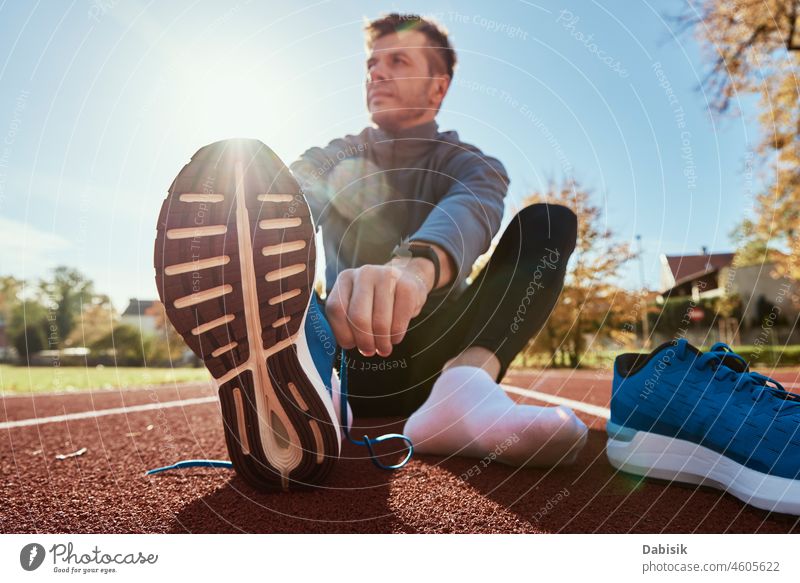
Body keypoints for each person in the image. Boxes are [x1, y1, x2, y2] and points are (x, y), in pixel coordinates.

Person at [290, 13, 587, 468]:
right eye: (372, 63)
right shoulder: (331, 157)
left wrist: (412, 270)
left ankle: (463, 394)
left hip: (443, 359)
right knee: (271, 211)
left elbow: (469, 210)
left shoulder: (473, 163)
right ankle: (309, 383)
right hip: (345, 356)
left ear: (438, 86)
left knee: (549, 224)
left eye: (398, 60)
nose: (376, 72)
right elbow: (294, 195)